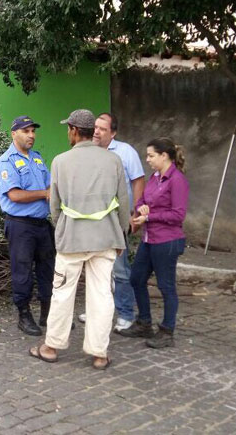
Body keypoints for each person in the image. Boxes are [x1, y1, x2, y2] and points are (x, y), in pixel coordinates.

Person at [29, 109, 129, 370]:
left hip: (72, 238)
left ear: (74, 130)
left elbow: (55, 206)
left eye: (68, 129)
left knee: (62, 293)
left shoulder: (61, 161)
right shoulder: (113, 161)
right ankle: (99, 353)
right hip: (106, 237)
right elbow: (124, 202)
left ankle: (51, 346)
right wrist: (121, 236)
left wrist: (61, 227)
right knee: (102, 295)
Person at [78, 113, 145, 332]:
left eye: (102, 129)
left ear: (113, 133)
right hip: (92, 222)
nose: (96, 131)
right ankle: (96, 311)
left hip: (116, 222)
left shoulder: (126, 152)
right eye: (95, 127)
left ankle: (126, 314)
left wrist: (134, 213)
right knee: (94, 268)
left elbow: (137, 181)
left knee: (120, 269)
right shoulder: (88, 152)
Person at [120, 138, 189, 349]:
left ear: (164, 156)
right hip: (150, 239)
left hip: (167, 241)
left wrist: (150, 217)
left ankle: (167, 331)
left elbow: (178, 215)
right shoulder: (155, 177)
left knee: (166, 286)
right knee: (136, 278)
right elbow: (142, 199)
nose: (147, 159)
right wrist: (140, 209)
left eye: (151, 155)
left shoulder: (177, 180)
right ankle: (144, 323)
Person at [0, 115, 53, 336]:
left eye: (33, 131)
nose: (31, 135)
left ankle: (47, 313)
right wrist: (44, 194)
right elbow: (15, 195)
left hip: (41, 224)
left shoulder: (37, 159)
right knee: (23, 271)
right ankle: (24, 315)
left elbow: (51, 186)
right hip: (20, 226)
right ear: (14, 134)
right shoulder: (6, 161)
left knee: (47, 269)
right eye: (26, 131)